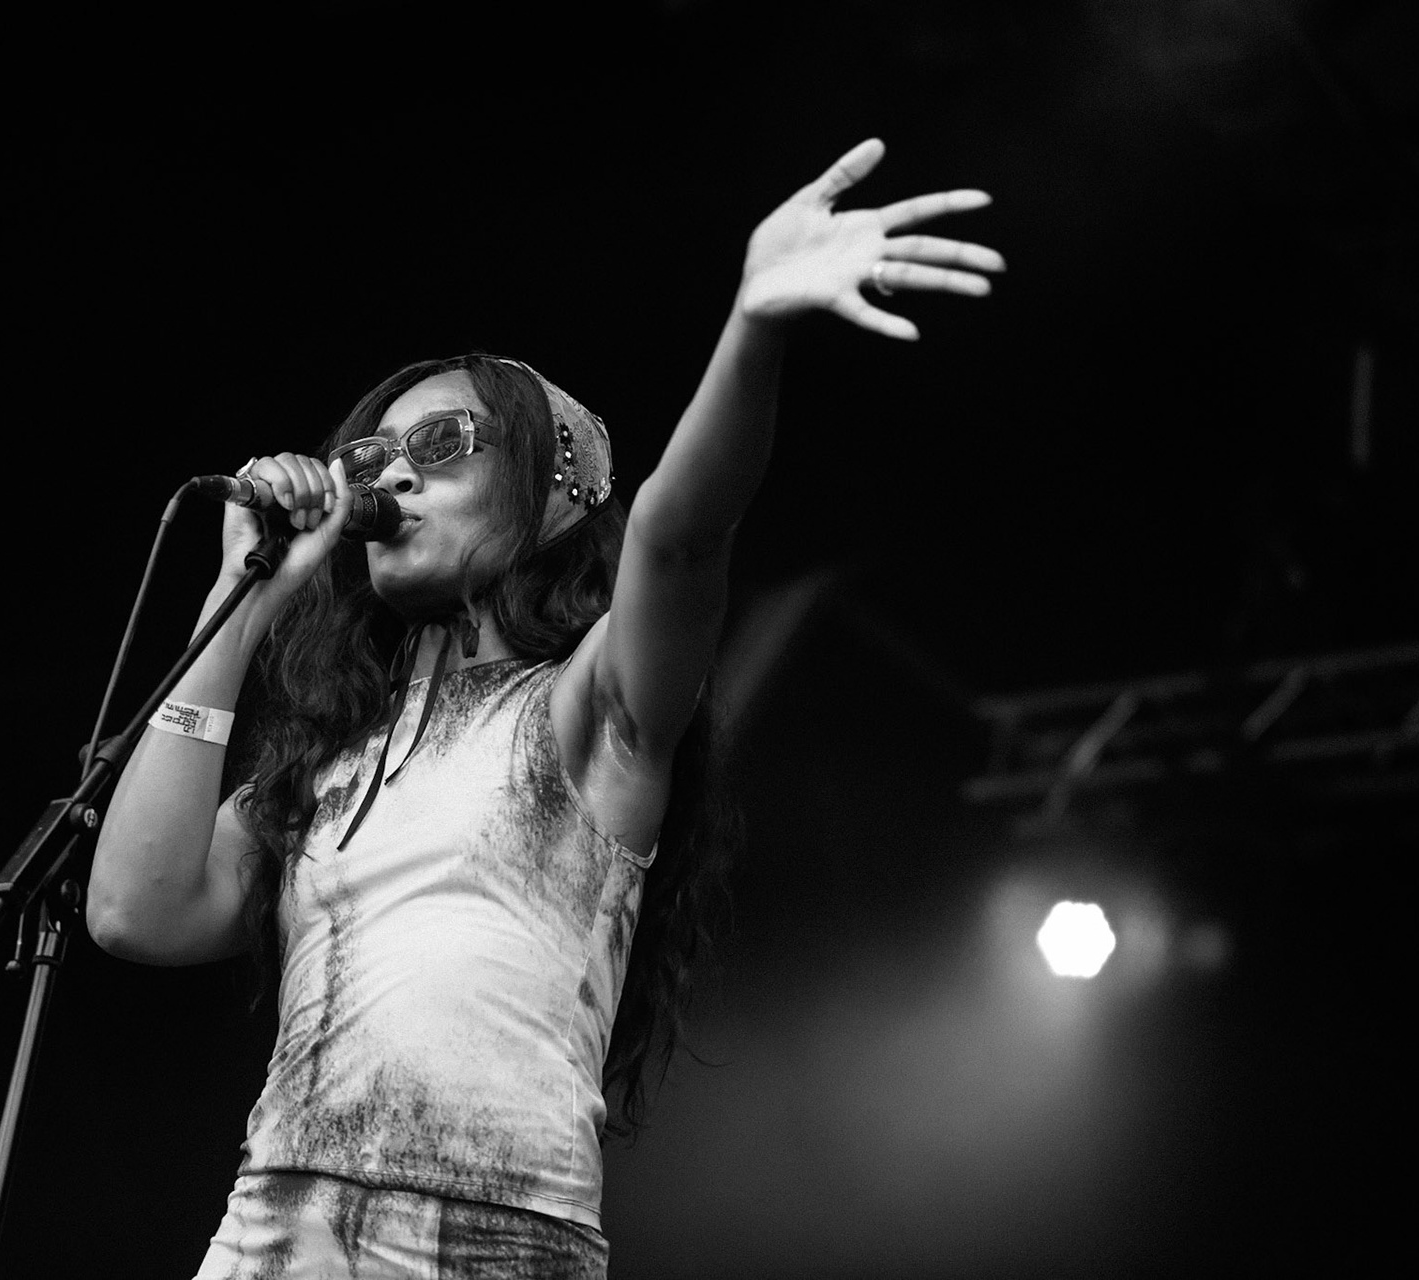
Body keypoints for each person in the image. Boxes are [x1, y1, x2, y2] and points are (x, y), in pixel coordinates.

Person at [87, 138, 1003, 1277]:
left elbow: (682, 535)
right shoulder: (329, 758)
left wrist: (753, 329)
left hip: (498, 1240)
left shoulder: (590, 712)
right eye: (373, 453)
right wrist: (238, 600)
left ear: (559, 492)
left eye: (441, 444)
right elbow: (136, 909)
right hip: (276, 1232)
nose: (391, 474)